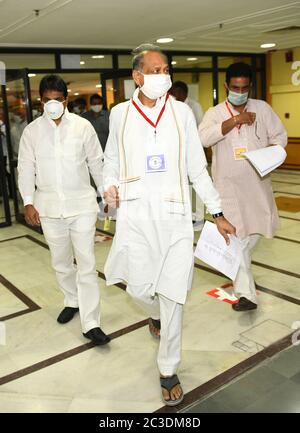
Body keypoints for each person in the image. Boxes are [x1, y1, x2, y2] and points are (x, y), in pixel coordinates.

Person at [103, 44, 235, 406]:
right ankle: (154, 314)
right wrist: (108, 184)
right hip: (136, 217)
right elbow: (110, 158)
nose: (164, 75)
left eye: (166, 69)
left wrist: (218, 212)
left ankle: (168, 368)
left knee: (174, 295)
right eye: (156, 69)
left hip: (176, 218)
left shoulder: (181, 114)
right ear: (137, 76)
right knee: (139, 289)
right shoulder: (120, 115)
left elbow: (197, 167)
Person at [18, 74, 110, 345]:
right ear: (40, 101)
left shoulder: (82, 127)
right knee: (60, 262)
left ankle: (91, 322)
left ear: (66, 100)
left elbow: (96, 163)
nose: (52, 105)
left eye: (57, 100)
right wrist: (27, 201)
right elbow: (26, 168)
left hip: (81, 205)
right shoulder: (32, 131)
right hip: (48, 207)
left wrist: (106, 193)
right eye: (47, 101)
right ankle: (72, 300)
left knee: (87, 264)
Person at [199, 62, 287, 312]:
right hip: (228, 190)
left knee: (255, 234)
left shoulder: (263, 108)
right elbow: (203, 138)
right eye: (235, 87)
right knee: (236, 238)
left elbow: (280, 137)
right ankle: (246, 294)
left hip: (258, 186)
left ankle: (243, 271)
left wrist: (273, 154)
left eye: (244, 87)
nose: (240, 91)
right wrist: (234, 120)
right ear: (227, 86)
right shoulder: (215, 113)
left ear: (250, 87)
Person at [170, 81, 205, 231]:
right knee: (181, 186)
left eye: (178, 92)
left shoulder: (194, 106)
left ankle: (198, 218)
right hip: (176, 154)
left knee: (196, 186)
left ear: (185, 93)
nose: (176, 95)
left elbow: (200, 129)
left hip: (192, 153)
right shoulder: (171, 106)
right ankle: (184, 216)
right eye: (174, 92)